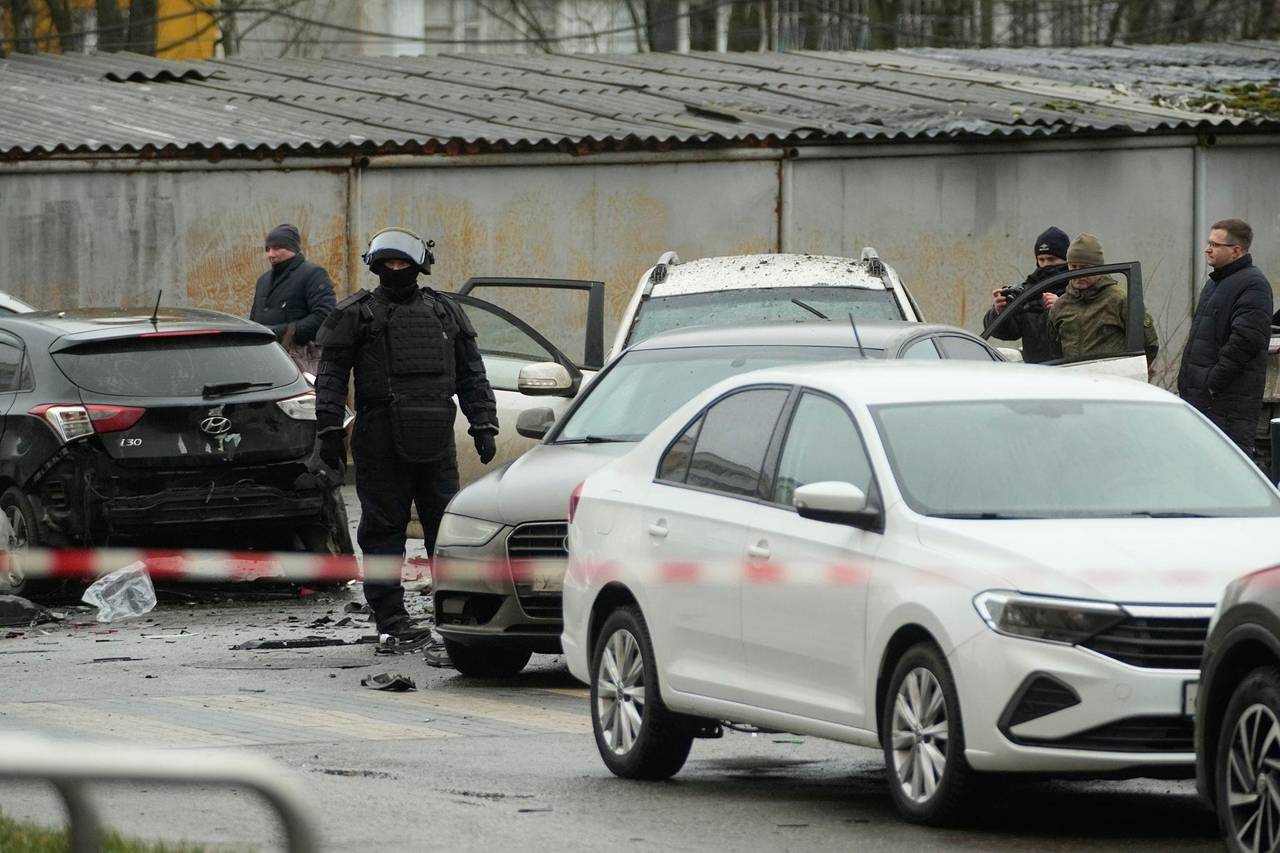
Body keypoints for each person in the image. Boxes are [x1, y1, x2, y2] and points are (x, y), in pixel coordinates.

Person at [312, 228, 498, 648]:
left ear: (418, 266)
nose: (396, 270)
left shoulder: (445, 311)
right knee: (383, 531)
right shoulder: (356, 314)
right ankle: (391, 618)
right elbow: (331, 378)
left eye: (402, 263)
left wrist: (483, 423)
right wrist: (328, 431)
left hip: (435, 433)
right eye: (389, 264)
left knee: (445, 529)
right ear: (377, 267)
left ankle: (454, 613)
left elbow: (472, 373)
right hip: (379, 436)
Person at [1177, 218, 1274, 455]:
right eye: (1208, 243)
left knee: (1223, 465)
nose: (1207, 249)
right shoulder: (1216, 283)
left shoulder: (1253, 285)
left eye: (1215, 244)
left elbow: (1247, 340)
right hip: (1203, 400)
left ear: (1236, 251)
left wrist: (1211, 383)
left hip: (1226, 405)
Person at [1047, 233, 1159, 370]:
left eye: (1084, 268)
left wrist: (1130, 373)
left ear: (1099, 267)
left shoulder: (1120, 300)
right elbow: (1053, 351)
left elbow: (1149, 344)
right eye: (1073, 267)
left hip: (1110, 379)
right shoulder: (1060, 306)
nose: (1078, 273)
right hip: (1073, 380)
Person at [249, 224, 337, 375]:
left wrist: (283, 333)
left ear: (292, 248)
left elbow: (325, 316)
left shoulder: (313, 274)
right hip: (264, 358)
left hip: (300, 361)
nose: (271, 254)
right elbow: (254, 319)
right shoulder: (263, 280)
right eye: (268, 249)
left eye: (277, 248)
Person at [983, 226, 1071, 363]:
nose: (1045, 265)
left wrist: (1062, 307)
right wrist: (999, 312)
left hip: (1073, 368)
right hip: (1036, 371)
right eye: (1041, 260)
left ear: (1066, 260)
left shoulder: (1077, 288)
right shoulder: (1028, 291)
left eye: (1051, 259)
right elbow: (1008, 333)